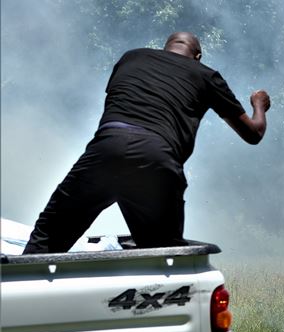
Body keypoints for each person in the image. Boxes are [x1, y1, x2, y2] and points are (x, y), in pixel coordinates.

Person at [23, 32, 270, 253]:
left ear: (165, 48)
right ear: (197, 56)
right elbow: (253, 134)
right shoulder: (205, 75)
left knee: (47, 239)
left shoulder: (131, 58)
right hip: (156, 159)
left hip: (107, 148)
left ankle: (18, 296)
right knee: (164, 257)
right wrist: (259, 103)